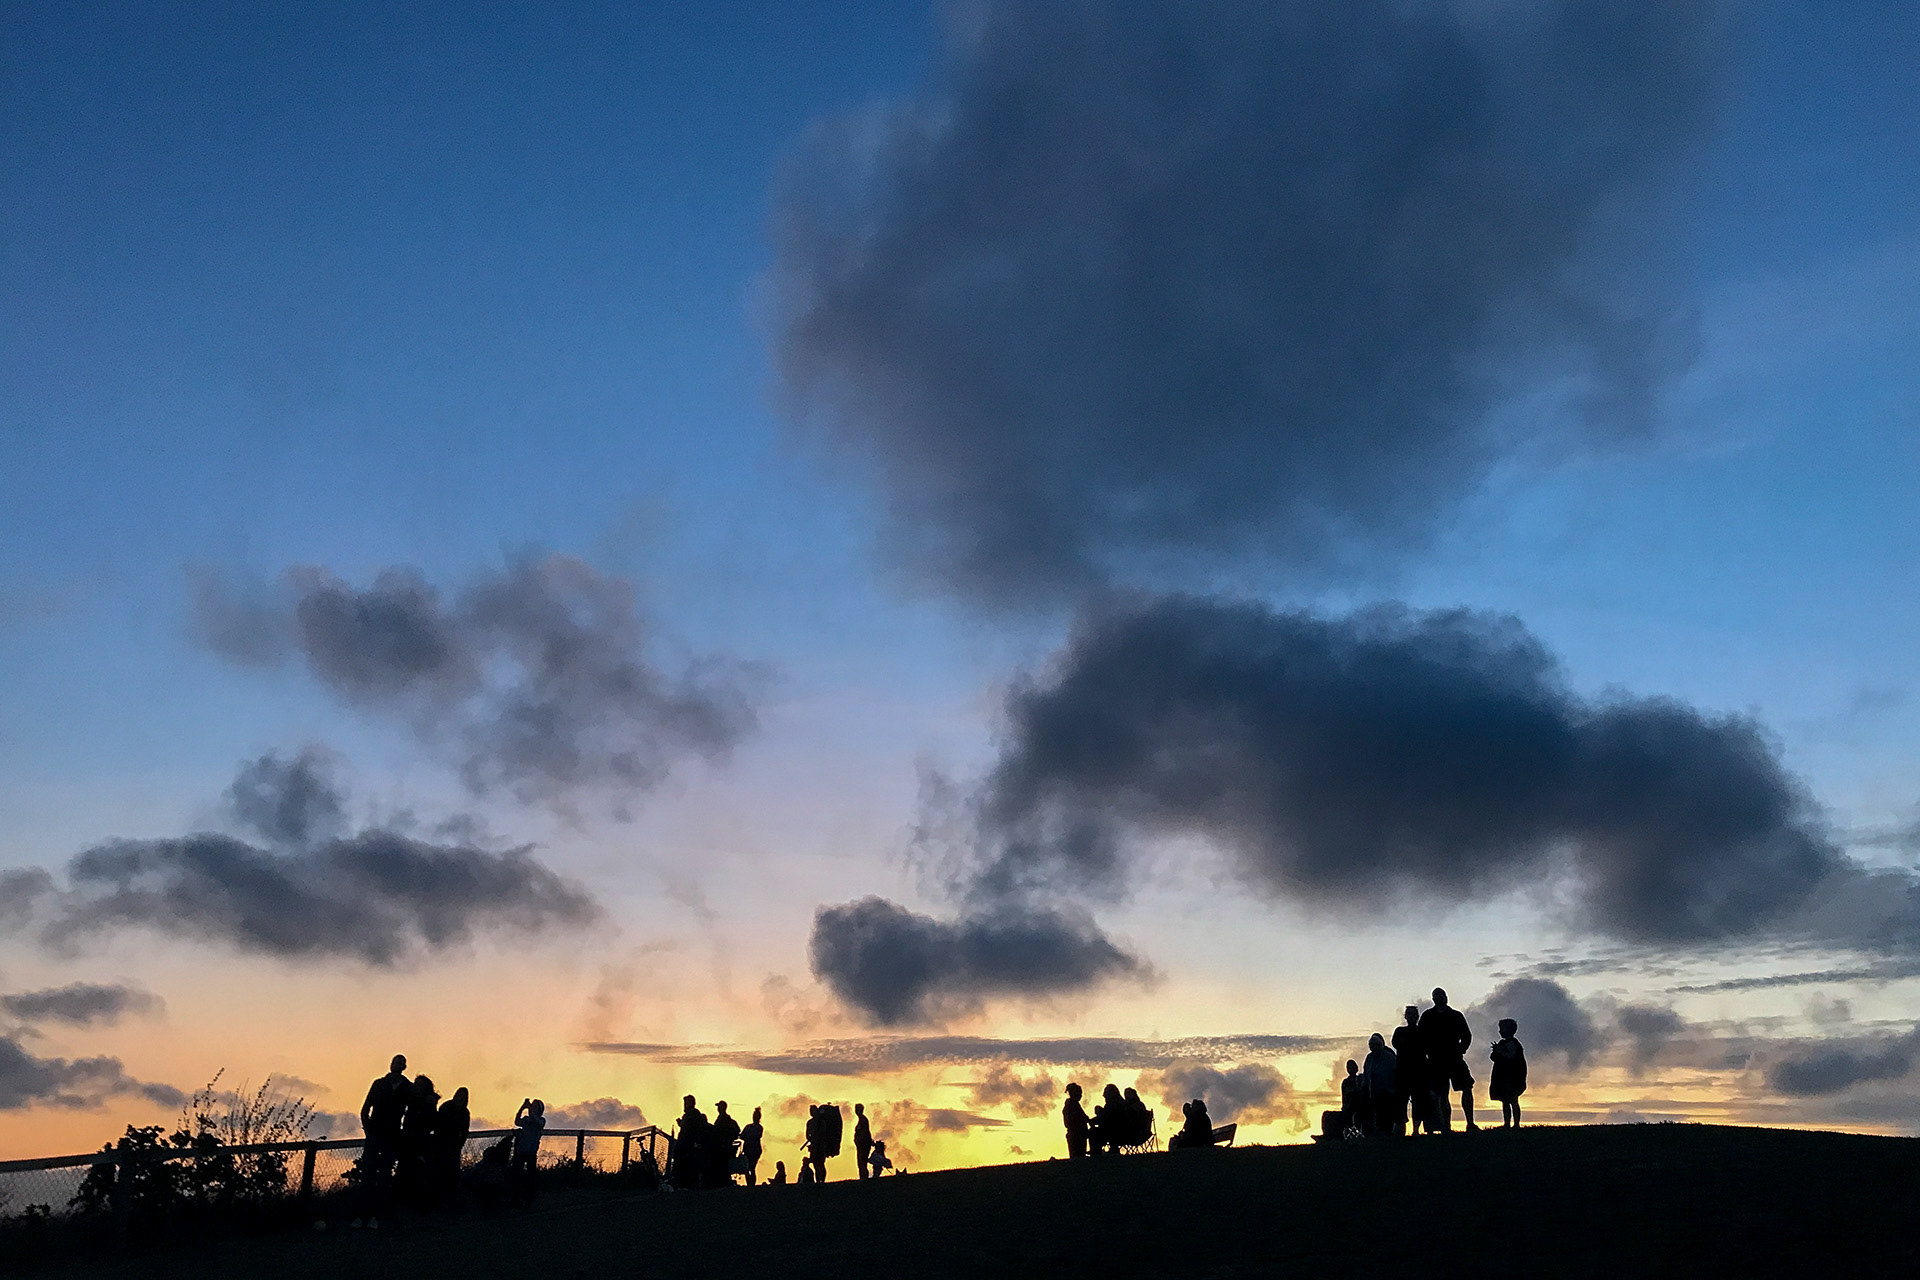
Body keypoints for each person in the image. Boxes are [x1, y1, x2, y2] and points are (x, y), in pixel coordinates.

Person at [356, 1053, 410, 1222]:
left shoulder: (408, 1087)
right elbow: (365, 1108)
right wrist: (368, 1130)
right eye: (395, 1061)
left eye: (400, 1062)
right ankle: (362, 1214)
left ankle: (378, 1216)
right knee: (368, 1175)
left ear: (404, 1067)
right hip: (375, 1135)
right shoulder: (379, 1084)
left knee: (385, 1176)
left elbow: (415, 1108)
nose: (397, 1064)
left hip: (392, 1137)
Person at [1419, 988, 1478, 1131]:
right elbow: (1421, 1037)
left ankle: (1470, 1122)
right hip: (1436, 1060)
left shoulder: (1456, 1015)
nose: (1440, 998)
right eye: (1437, 996)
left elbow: (1466, 1035)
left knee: (1466, 1087)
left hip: (1455, 1058)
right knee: (1442, 1093)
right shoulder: (1427, 1016)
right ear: (1433, 999)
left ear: (1446, 997)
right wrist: (1427, 1054)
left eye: (1442, 995)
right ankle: (1446, 1125)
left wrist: (1461, 1050)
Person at [398, 1074, 439, 1205]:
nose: (416, 1087)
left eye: (419, 1085)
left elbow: (431, 1123)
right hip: (407, 1142)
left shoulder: (428, 1104)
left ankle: (419, 1205)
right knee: (405, 1173)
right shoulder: (412, 1100)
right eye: (416, 1084)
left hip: (420, 1144)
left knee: (418, 1174)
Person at [1392, 1005, 1430, 1136]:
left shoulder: (1423, 1032)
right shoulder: (1399, 1031)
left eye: (1414, 1014)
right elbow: (1396, 1044)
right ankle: (1400, 1128)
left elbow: (1426, 1048)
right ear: (1405, 1016)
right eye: (1409, 1014)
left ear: (1418, 1016)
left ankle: (1416, 1129)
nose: (1412, 1017)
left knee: (1418, 1100)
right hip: (1403, 1072)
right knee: (1401, 1100)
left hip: (1419, 1071)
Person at [433, 1085, 471, 1203]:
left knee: (452, 1173)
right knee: (440, 1170)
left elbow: (465, 1130)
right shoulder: (447, 1107)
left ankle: (450, 1199)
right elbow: (439, 1125)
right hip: (442, 1142)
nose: (461, 1098)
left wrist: (460, 1144)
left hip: (454, 1145)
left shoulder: (464, 1112)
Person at [1490, 1019, 1527, 1129]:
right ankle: (1507, 1123)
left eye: (1502, 1029)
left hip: (1511, 1077)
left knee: (1513, 1100)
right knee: (1505, 1101)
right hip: (1503, 1076)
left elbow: (1511, 1057)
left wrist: (1499, 1051)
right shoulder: (1503, 1043)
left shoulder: (1512, 1043)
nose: (1500, 1031)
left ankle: (1515, 1124)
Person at [1363, 1032, 1400, 1137]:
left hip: (1389, 1091)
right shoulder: (1369, 1058)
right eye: (1372, 1046)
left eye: (1377, 1045)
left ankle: (1387, 1133)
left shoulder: (1389, 1057)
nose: (1374, 1048)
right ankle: (1379, 1133)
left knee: (1387, 1114)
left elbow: (1397, 1073)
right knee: (1378, 1114)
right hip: (1374, 1092)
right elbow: (1366, 1075)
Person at [511, 1098, 545, 1208]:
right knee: (516, 1176)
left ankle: (528, 1199)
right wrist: (522, 1108)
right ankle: (515, 1199)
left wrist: (529, 1108)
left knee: (530, 1178)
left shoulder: (541, 1120)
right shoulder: (526, 1119)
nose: (533, 1107)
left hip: (531, 1152)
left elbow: (537, 1122)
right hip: (521, 1151)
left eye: (535, 1106)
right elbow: (517, 1122)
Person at [674, 1096, 710, 1191]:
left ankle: (687, 1185)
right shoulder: (689, 1115)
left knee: (688, 1166)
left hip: (689, 1146)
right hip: (685, 1145)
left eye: (686, 1103)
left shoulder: (693, 1115)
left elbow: (691, 1129)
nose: (684, 1105)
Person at [711, 1101, 741, 1188]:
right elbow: (737, 1131)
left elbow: (717, 1132)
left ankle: (723, 1181)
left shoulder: (723, 1120)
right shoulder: (728, 1120)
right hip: (726, 1146)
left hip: (722, 1147)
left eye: (719, 1107)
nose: (718, 1109)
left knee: (722, 1164)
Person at [1089, 1084, 1124, 1155]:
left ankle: (1096, 1152)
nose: (1104, 1097)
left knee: (1093, 1131)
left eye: (1106, 1095)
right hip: (1121, 1132)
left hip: (1116, 1133)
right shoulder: (1121, 1103)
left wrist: (1093, 1120)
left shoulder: (1112, 1105)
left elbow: (1106, 1118)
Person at [1340, 1060, 1368, 1136]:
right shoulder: (1346, 1082)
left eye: (1353, 1067)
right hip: (1350, 1106)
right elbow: (1344, 1096)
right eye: (1349, 1067)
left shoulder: (1361, 1079)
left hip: (1360, 1105)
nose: (1351, 1069)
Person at [1062, 1082, 1090, 1159]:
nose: (1081, 1095)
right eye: (1079, 1093)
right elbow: (1082, 1118)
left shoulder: (1071, 1104)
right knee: (1078, 1155)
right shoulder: (1073, 1105)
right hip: (1077, 1134)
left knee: (1076, 1155)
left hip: (1075, 1133)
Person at [739, 1106, 765, 1185]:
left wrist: (748, 1136)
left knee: (752, 1168)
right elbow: (742, 1136)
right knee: (747, 1168)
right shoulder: (749, 1126)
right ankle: (749, 1184)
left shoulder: (759, 1127)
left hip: (755, 1150)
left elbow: (757, 1136)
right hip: (748, 1150)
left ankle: (752, 1184)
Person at [853, 1102, 874, 1181]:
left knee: (862, 1162)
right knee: (861, 1162)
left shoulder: (863, 1120)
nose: (856, 1111)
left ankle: (864, 1177)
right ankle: (862, 1177)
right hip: (860, 1144)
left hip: (863, 1144)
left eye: (858, 1109)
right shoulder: (861, 1119)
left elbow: (865, 1132)